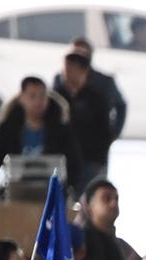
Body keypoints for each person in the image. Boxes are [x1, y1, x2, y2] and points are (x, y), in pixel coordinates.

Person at [0, 74, 81, 194]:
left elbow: (75, 163)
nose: (38, 102)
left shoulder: (60, 130)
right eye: (32, 96)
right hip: (16, 190)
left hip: (51, 191)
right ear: (22, 98)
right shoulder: (8, 128)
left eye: (42, 96)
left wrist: (66, 189)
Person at [52, 48, 124, 188]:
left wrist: (99, 159)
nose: (65, 73)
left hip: (90, 162)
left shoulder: (96, 99)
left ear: (83, 71)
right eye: (65, 68)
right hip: (63, 161)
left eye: (70, 69)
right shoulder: (56, 97)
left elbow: (105, 132)